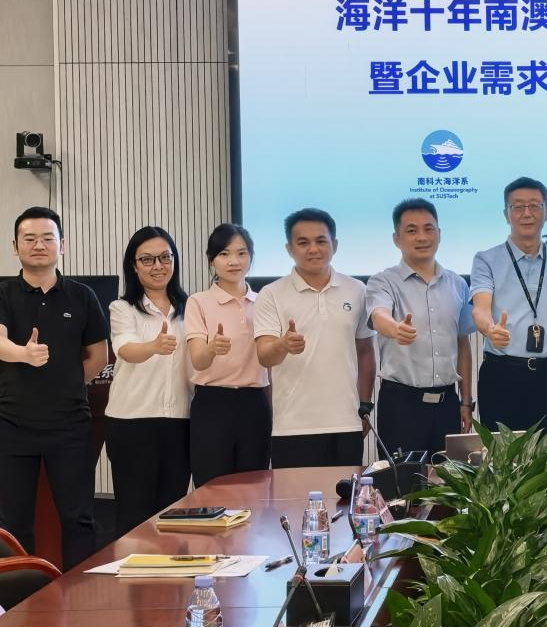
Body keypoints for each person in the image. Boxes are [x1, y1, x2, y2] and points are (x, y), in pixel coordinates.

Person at [0, 207, 108, 567]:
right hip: (12, 425)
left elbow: (98, 356)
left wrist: (67, 383)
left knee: (78, 520)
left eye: (48, 238)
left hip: (70, 426)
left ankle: (79, 592)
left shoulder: (82, 296)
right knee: (13, 525)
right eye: (29, 238)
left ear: (62, 245)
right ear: (15, 246)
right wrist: (23, 354)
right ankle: (20, 596)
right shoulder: (3, 293)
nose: (39, 245)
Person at [254, 209, 376, 469]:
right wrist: (282, 344)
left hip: (346, 423)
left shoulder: (357, 290)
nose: (313, 249)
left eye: (321, 241)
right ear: (289, 248)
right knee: (293, 495)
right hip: (292, 426)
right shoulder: (271, 293)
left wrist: (365, 406)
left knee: (346, 495)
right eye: (303, 242)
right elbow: (264, 355)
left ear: (335, 245)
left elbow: (365, 351)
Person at [367, 199, 475, 459]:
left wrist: (466, 402)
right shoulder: (383, 281)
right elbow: (378, 315)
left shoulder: (458, 284)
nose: (422, 237)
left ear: (439, 234)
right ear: (397, 238)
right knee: (402, 480)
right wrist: (394, 328)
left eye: (429, 229)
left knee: (450, 479)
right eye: (411, 230)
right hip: (401, 405)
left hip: (448, 404)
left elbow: (462, 345)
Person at [470, 178, 547, 440]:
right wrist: (490, 329)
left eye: (534, 206)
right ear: (506, 214)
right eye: (517, 207)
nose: (526, 213)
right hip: (501, 374)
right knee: (500, 458)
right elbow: (480, 309)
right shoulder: (486, 260)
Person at [105, 226, 193, 534]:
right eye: (147, 259)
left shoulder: (191, 308)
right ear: (134, 265)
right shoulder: (122, 308)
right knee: (134, 518)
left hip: (180, 422)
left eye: (165, 257)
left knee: (172, 517)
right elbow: (125, 350)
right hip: (132, 424)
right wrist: (153, 347)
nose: (158, 266)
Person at [184, 224, 270, 486]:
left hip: (255, 403)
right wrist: (212, 348)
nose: (234, 261)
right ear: (211, 260)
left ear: (251, 257)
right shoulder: (198, 301)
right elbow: (198, 360)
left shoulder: (264, 302)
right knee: (212, 488)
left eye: (242, 253)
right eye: (224, 254)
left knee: (254, 488)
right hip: (213, 404)